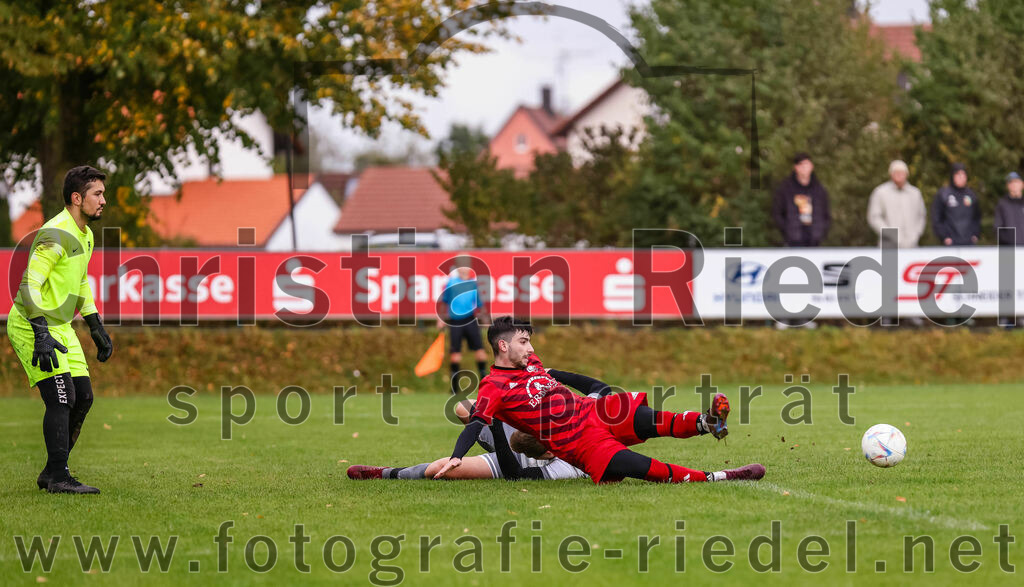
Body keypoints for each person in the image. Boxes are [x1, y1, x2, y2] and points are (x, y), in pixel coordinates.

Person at [433, 316, 765, 484]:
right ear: (503, 346)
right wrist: (457, 456)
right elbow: (474, 421)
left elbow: (564, 376)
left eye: (530, 341)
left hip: (594, 411)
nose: (531, 348)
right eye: (524, 341)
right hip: (578, 441)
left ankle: (708, 423)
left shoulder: (531, 362)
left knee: (648, 418)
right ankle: (719, 476)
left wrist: (556, 373)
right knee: (645, 469)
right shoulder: (493, 386)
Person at [6, 165, 114, 494]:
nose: (103, 200)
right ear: (77, 198)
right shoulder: (56, 234)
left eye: (103, 194)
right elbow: (29, 286)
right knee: (61, 396)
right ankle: (59, 478)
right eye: (97, 194)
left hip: (60, 325)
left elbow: (79, 283)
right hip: (32, 323)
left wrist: (95, 326)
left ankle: (52, 471)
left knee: (83, 397)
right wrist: (41, 333)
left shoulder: (86, 235)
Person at [348, 369, 616, 482]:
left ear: (549, 451)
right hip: (522, 439)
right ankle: (492, 427)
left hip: (512, 458)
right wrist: (551, 374)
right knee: (463, 408)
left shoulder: (569, 468)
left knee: (441, 470)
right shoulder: (584, 419)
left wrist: (497, 426)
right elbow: (601, 388)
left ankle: (386, 473)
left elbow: (515, 475)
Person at [437, 259, 488, 394]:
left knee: (481, 353)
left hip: (470, 320)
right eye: (461, 267)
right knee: (455, 355)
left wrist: (485, 319)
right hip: (455, 321)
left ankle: (485, 384)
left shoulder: (473, 284)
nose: (463, 269)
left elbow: (479, 303)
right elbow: (444, 301)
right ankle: (454, 388)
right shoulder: (451, 283)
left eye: (466, 267)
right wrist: (441, 318)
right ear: (458, 268)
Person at [772, 152, 831, 247]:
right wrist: (787, 230)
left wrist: (820, 231)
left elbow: (826, 214)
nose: (804, 168)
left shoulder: (819, 190)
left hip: (814, 241)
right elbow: (777, 213)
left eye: (806, 164)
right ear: (796, 167)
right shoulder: (785, 189)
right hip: (793, 241)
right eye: (801, 165)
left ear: (811, 166)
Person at [867, 160, 927, 248]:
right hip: (888, 243)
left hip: (911, 243)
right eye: (896, 172)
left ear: (907, 174)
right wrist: (889, 234)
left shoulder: (915, 193)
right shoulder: (880, 192)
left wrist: (916, 233)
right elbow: (874, 217)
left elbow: (921, 216)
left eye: (901, 172)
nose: (899, 175)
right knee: (890, 258)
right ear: (891, 174)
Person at [932, 162, 981, 246]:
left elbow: (977, 217)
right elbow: (936, 218)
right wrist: (944, 236)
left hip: (969, 242)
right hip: (951, 243)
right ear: (952, 176)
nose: (961, 177)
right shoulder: (944, 194)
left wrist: (975, 234)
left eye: (963, 174)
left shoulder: (971, 195)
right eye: (958, 174)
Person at [994, 172, 1024, 246]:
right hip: (1007, 248)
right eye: (1011, 182)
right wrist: (1010, 242)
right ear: (1007, 186)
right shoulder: (1002, 204)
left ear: (1022, 184)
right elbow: (997, 228)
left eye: (1016, 181)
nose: (1014, 184)